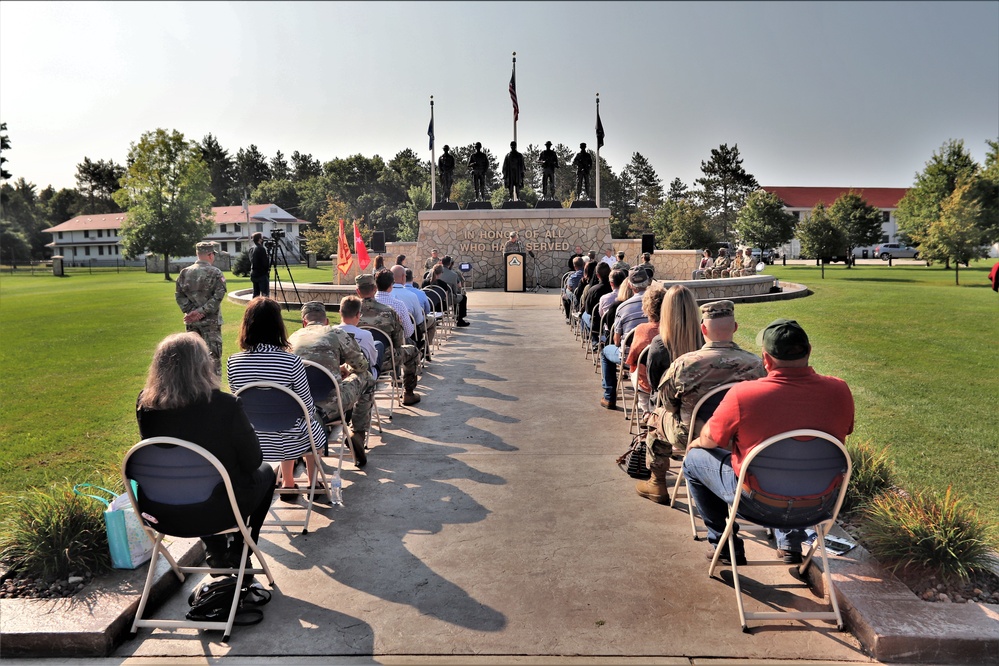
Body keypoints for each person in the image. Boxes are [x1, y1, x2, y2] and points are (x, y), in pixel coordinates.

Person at [683, 318, 855, 564]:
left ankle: (725, 546)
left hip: (756, 504)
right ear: (808, 351)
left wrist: (696, 443)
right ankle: (790, 544)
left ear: (766, 359)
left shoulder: (744, 395)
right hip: (819, 504)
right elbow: (842, 432)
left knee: (693, 459)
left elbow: (711, 440)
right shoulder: (840, 391)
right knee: (797, 464)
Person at [136, 332, 276, 571]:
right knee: (267, 473)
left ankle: (216, 550)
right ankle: (241, 549)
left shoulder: (146, 404)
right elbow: (253, 461)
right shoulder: (224, 405)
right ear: (203, 364)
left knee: (196, 481)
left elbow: (157, 454)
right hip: (217, 509)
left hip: (160, 510)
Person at [637, 300, 766, 504]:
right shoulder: (757, 365)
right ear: (735, 327)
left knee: (656, 417)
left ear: (703, 328)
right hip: (740, 438)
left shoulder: (684, 364)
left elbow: (668, 404)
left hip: (690, 436)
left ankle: (657, 481)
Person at [227, 297, 328, 502]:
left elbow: (239, 406)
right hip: (291, 440)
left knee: (287, 421)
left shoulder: (234, 362)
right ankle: (313, 481)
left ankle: (288, 482)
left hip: (254, 442)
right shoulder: (291, 362)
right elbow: (306, 407)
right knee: (310, 422)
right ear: (278, 326)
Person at [288, 301, 374, 467]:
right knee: (367, 378)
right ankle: (358, 432)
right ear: (326, 320)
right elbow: (362, 365)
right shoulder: (335, 333)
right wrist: (346, 369)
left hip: (299, 405)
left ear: (304, 322)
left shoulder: (292, 338)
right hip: (333, 403)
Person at [355, 273, 423, 406]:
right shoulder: (389, 311)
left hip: (356, 361)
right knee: (412, 351)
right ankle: (408, 393)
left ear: (357, 291)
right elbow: (399, 342)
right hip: (385, 359)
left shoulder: (351, 312)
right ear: (375, 288)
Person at [600, 267, 651, 409]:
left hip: (631, 358)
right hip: (657, 356)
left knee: (605, 352)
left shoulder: (622, 307)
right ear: (648, 283)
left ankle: (609, 396)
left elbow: (616, 341)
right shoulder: (658, 302)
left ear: (629, 284)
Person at [176, 241, 226, 376]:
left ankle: (195, 389)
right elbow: (218, 296)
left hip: (192, 322)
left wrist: (192, 312)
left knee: (193, 358)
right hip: (211, 323)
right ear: (210, 255)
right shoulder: (216, 272)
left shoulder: (184, 272)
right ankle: (214, 392)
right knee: (213, 359)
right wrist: (201, 312)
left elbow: (179, 295)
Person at [624, 282, 666, 417]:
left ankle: (647, 411)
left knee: (636, 369)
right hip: (668, 385)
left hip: (646, 384)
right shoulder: (676, 330)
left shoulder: (641, 329)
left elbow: (631, 359)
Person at [374, 268, 415, 342]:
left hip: (370, 345)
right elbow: (408, 333)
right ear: (391, 285)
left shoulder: (364, 305)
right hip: (392, 347)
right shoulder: (398, 305)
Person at [438, 255, 469, 327]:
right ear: (450, 263)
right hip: (447, 299)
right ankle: (460, 319)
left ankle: (437, 319)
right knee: (462, 297)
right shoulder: (453, 274)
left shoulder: (433, 271)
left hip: (435, 299)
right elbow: (455, 290)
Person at [563, 255, 585, 322]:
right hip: (586, 297)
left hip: (577, 299)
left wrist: (567, 287)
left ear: (574, 266)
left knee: (565, 294)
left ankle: (569, 318)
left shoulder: (574, 277)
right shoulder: (588, 274)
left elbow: (569, 287)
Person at [249, 232, 270, 298]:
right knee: (265, 294)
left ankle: (254, 306)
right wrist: (267, 271)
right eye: (262, 237)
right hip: (261, 274)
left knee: (256, 294)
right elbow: (265, 263)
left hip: (253, 273)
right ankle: (265, 307)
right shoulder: (261, 248)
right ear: (259, 239)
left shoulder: (251, 248)